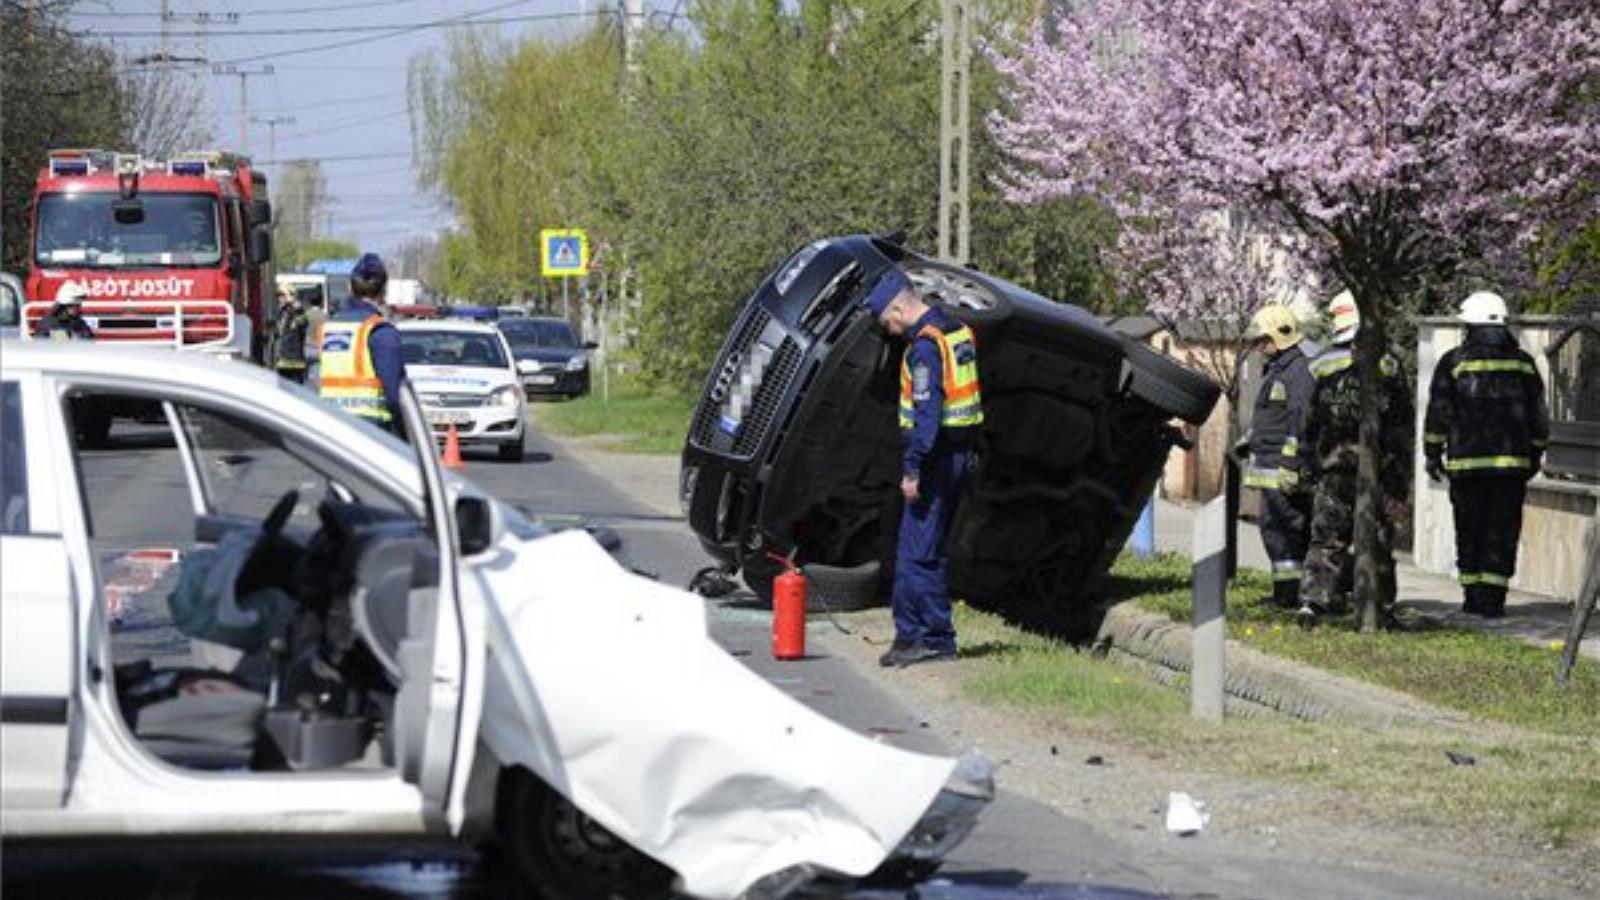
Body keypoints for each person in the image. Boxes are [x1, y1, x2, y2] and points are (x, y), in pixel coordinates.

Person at [864, 267, 983, 668]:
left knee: (916, 553)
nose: (891, 330)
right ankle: (933, 637)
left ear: (899, 306)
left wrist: (913, 468)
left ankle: (921, 638)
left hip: (934, 460)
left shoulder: (924, 349)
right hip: (959, 455)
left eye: (888, 321)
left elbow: (927, 415)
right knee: (928, 549)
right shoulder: (956, 331)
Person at [1285, 291, 1413, 626]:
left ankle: (1314, 602)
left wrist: (1306, 465)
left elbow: (1306, 423)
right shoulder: (1390, 368)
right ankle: (1378, 605)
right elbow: (1401, 427)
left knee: (1326, 539)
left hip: (1334, 471)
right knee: (1379, 540)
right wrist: (1401, 477)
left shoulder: (1322, 368)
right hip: (1378, 473)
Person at [1423, 291, 1548, 618]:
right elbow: (1538, 415)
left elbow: (1439, 412)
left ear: (1471, 325)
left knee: (1470, 529)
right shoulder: (1523, 363)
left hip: (1466, 467)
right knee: (1502, 531)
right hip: (1512, 468)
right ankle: (1494, 600)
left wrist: (1432, 453)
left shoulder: (1454, 362)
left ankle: (1473, 597)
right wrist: (1535, 453)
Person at [1240, 304, 1316, 609]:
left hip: (1283, 471)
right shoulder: (1280, 370)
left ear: (1280, 336)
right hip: (1271, 466)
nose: (1259, 347)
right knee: (1277, 531)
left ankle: (1289, 597)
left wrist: (1290, 464)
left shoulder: (1298, 372)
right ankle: (1286, 594)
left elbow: (1302, 421)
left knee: (1285, 532)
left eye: (1263, 340)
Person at [318, 254, 404, 435]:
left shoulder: (328, 328)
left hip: (330, 429)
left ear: (350, 287)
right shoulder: (381, 332)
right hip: (372, 433)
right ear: (384, 290)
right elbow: (395, 398)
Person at [270, 284, 311, 383]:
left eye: (282, 295)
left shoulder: (298, 311)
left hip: (294, 362)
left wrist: (295, 305)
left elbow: (304, 322)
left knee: (296, 391)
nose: (279, 298)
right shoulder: (282, 312)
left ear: (290, 296)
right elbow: (278, 333)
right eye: (278, 295)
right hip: (281, 360)